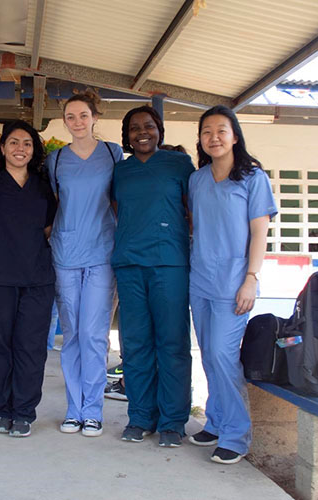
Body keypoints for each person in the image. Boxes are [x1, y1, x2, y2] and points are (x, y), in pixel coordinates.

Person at [188, 105, 276, 464]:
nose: (214, 137)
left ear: (235, 136)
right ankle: (217, 420)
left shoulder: (253, 179)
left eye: (221, 130)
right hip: (200, 279)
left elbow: (259, 232)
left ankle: (237, 436)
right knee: (209, 355)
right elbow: (197, 228)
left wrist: (250, 279)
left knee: (224, 356)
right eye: (207, 131)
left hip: (234, 283)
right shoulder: (197, 180)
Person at [112, 106, 195, 447]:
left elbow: (192, 211)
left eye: (148, 126)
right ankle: (141, 416)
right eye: (134, 128)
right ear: (126, 136)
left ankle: (173, 421)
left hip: (169, 264)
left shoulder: (179, 165)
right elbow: (119, 211)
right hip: (130, 264)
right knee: (134, 344)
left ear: (160, 130)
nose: (141, 132)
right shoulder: (120, 171)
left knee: (172, 344)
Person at [46, 91, 123, 437]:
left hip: (102, 253)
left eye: (83, 115)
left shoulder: (112, 153)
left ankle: (92, 410)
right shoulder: (57, 160)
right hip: (65, 253)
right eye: (71, 117)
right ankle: (73, 409)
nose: (77, 122)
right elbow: (54, 204)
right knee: (72, 333)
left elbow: (120, 201)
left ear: (95, 117)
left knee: (94, 334)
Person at [0, 120, 57, 438]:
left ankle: (24, 412)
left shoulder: (42, 184)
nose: (19, 148)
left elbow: (50, 227)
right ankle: (3, 410)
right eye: (13, 142)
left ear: (34, 149)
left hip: (37, 277)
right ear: (2, 148)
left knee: (31, 346)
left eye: (26, 143)